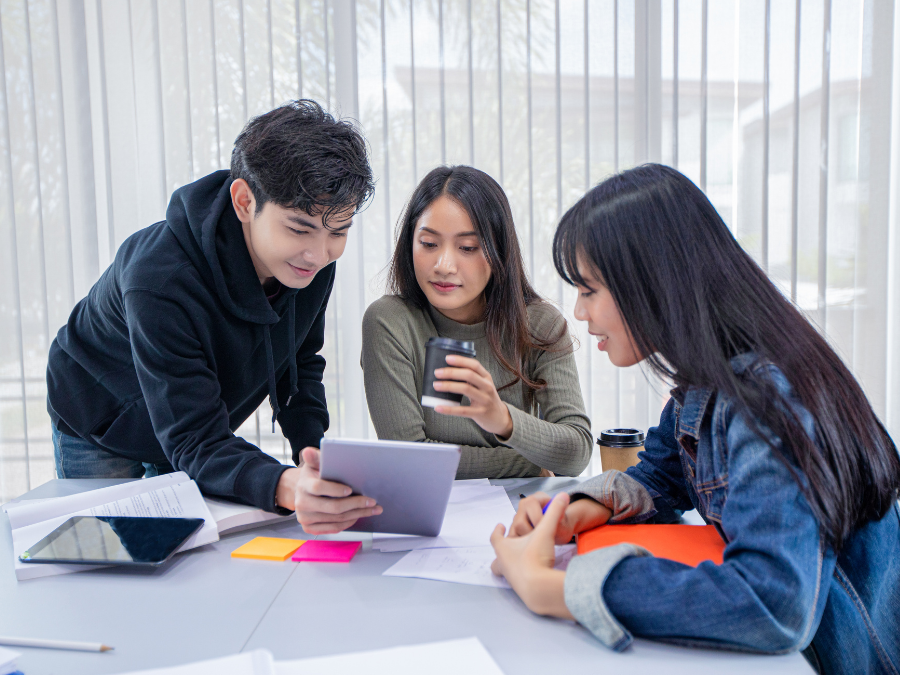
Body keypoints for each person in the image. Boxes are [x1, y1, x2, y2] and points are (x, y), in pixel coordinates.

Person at [489, 164, 900, 673]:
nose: (579, 312)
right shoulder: (708, 379)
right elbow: (662, 475)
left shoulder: (766, 401)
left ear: (655, 284)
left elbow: (773, 604)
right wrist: (577, 509)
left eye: (590, 289)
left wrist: (556, 589)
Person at [47, 100, 384, 534]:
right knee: (115, 565)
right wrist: (284, 485)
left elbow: (298, 366)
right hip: (101, 416)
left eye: (339, 232)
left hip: (188, 416)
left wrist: (314, 456)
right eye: (299, 229)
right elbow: (193, 440)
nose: (320, 253)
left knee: (190, 564)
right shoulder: (159, 279)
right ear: (245, 201)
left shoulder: (310, 262)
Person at [361, 165, 592, 478]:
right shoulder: (390, 322)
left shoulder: (539, 325)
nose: (444, 266)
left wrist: (502, 420)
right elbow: (410, 460)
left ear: (499, 252)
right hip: (432, 517)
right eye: (428, 244)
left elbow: (576, 452)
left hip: (519, 516)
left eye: (467, 248)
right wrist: (529, 463)